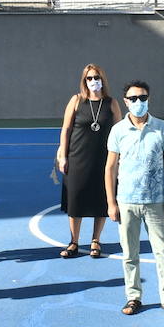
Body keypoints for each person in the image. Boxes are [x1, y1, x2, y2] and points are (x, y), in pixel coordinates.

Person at [105, 80, 164, 316]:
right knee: (130, 254)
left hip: (155, 201)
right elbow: (110, 168)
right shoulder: (118, 130)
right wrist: (111, 202)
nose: (139, 102)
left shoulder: (161, 127)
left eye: (143, 98)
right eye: (134, 98)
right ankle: (133, 297)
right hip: (127, 202)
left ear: (149, 99)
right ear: (125, 101)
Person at [56, 63, 122, 258]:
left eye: (97, 77)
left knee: (100, 199)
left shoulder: (111, 103)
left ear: (103, 79)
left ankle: (96, 240)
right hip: (77, 158)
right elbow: (66, 129)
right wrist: (63, 155)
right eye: (90, 78)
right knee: (75, 199)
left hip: (103, 159)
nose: (94, 81)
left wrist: (120, 160)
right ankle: (73, 242)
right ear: (84, 81)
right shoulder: (76, 101)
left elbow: (119, 132)